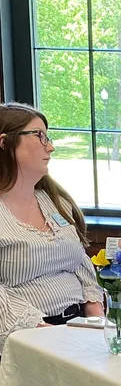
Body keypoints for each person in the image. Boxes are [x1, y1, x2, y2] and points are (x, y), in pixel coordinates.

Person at [0, 102, 104, 356]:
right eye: (39, 136)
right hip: (26, 339)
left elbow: (80, 262)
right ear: (4, 142)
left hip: (77, 329)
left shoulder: (54, 201)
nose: (50, 146)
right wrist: (47, 336)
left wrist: (97, 321)